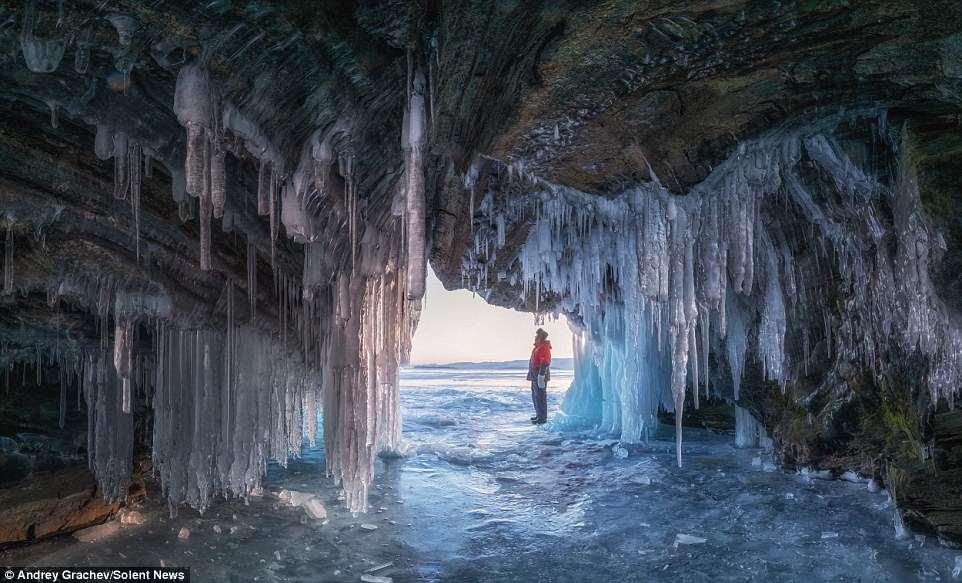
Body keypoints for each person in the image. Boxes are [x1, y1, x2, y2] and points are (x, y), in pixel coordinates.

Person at [527, 328, 552, 424]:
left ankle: (542, 418)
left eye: (536, 337)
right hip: (534, 375)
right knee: (535, 396)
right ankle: (539, 415)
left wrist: (541, 376)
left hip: (540, 375)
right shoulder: (538, 347)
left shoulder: (543, 347)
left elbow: (545, 361)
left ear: (540, 338)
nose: (535, 338)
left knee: (541, 396)